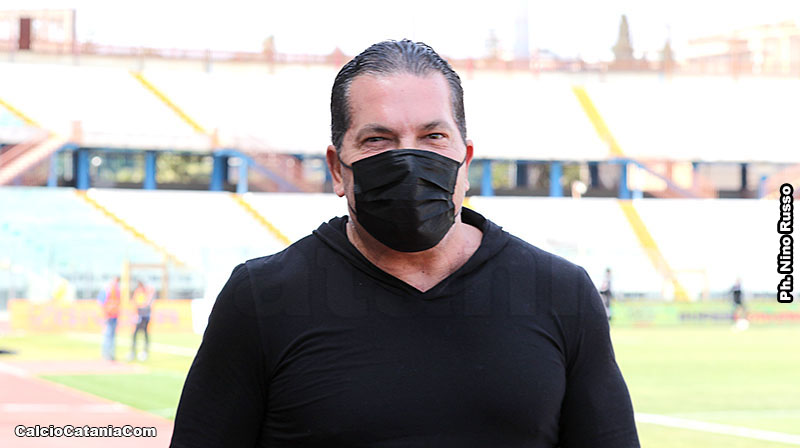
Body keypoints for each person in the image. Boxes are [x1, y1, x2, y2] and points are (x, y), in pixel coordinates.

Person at [171, 39, 639, 447]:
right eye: (378, 139)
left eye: (433, 137)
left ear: (465, 160)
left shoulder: (561, 293)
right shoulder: (261, 297)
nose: (409, 160)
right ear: (337, 169)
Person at [128, 280, 155, 361]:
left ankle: (144, 352)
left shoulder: (147, 292)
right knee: (135, 334)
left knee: (145, 334)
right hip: (139, 316)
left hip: (145, 316)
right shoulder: (138, 292)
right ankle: (133, 352)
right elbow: (136, 303)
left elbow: (147, 303)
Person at [97, 276, 120, 361]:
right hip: (108, 316)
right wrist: (104, 315)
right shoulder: (107, 289)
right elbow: (101, 302)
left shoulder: (117, 290)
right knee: (107, 335)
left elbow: (118, 303)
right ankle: (106, 354)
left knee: (112, 336)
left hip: (115, 316)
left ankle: (111, 354)